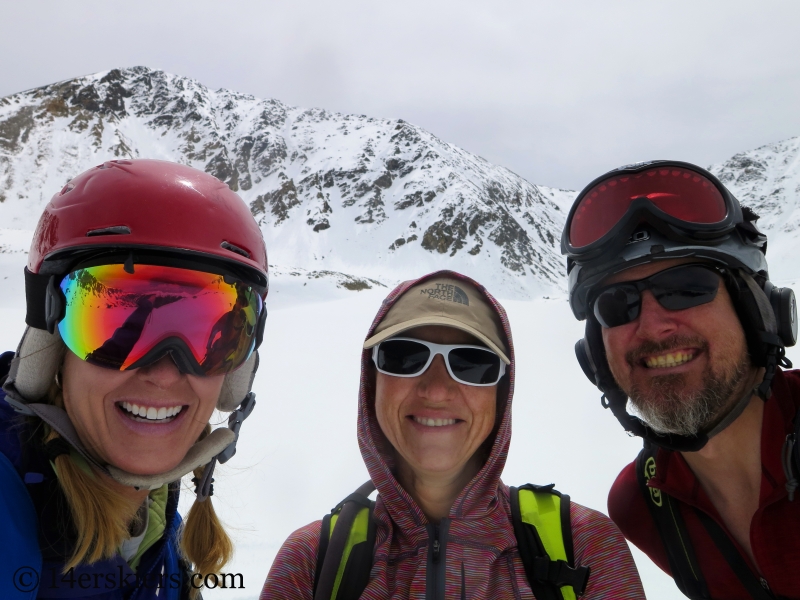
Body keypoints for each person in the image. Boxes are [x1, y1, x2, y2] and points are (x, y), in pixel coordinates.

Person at [261, 271, 644, 599]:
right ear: (371, 382)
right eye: (403, 356)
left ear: (501, 393)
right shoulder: (311, 562)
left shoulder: (583, 547)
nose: (436, 389)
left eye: (472, 363)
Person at [0, 159, 269, 599]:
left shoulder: (159, 533)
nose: (164, 373)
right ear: (51, 347)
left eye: (209, 335)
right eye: (115, 325)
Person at [561, 160, 800, 599]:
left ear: (758, 311)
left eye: (687, 288)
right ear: (596, 355)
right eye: (617, 305)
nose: (653, 328)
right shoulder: (641, 505)